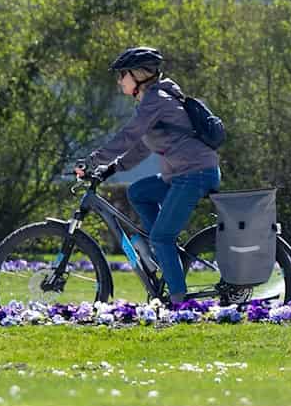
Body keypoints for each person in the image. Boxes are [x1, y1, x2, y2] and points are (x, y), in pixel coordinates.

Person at [77, 47, 221, 304]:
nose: (119, 80)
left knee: (162, 236)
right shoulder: (154, 100)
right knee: (139, 192)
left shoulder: (155, 100)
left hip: (194, 173)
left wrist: (91, 161)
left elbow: (127, 136)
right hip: (184, 173)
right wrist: (111, 168)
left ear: (139, 75)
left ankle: (177, 302)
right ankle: (162, 253)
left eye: (123, 75)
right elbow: (143, 146)